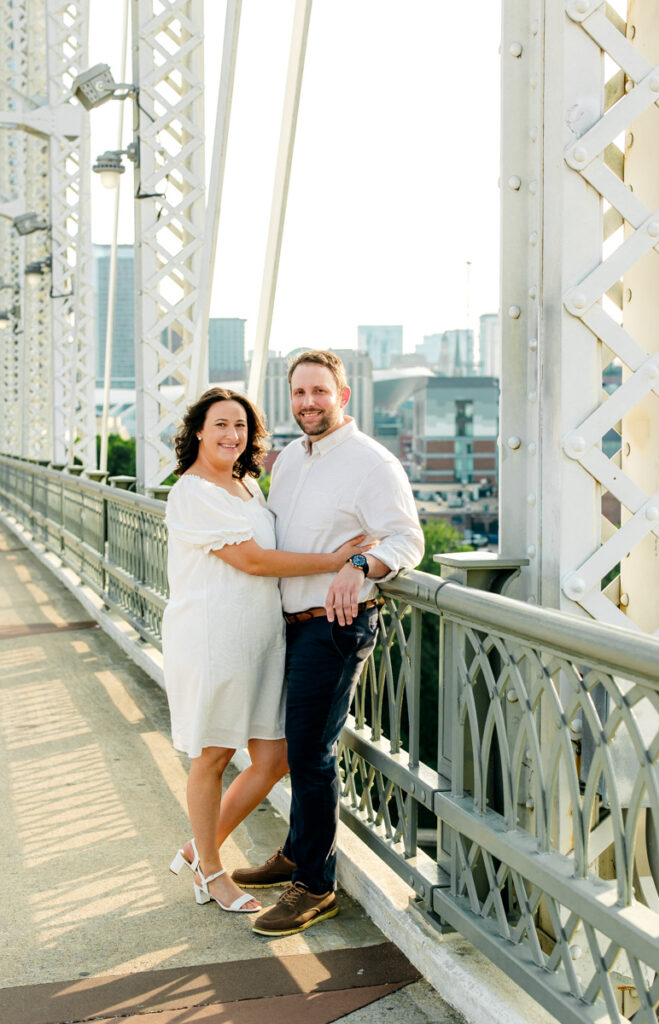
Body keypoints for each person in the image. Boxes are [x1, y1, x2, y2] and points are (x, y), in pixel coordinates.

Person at [231, 350, 424, 935]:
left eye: (319, 392)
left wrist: (362, 563)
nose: (308, 403)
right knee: (297, 749)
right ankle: (296, 852)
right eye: (298, 393)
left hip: (335, 624)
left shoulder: (373, 464)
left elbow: (407, 540)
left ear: (343, 396)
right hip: (287, 623)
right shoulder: (290, 459)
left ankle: (315, 886)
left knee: (312, 754)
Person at [163, 387, 373, 914]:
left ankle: (196, 849)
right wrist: (334, 561)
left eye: (241, 426)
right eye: (220, 425)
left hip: (261, 639)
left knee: (273, 757)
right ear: (197, 433)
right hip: (212, 639)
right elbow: (255, 561)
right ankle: (212, 871)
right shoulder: (192, 493)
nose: (232, 435)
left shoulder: (247, 485)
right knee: (212, 755)